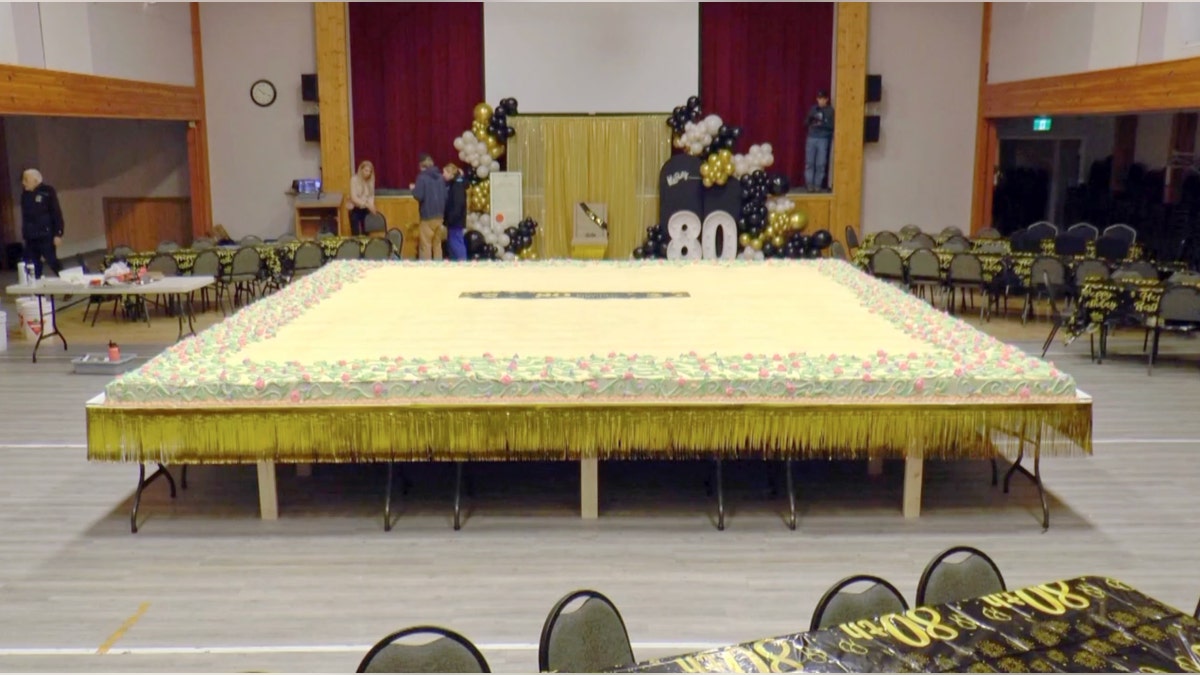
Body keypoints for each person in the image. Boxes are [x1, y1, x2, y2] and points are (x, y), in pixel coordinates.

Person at [20, 168, 64, 277]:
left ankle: (67, 281)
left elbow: (56, 213)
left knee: (52, 261)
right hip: (31, 236)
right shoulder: (25, 195)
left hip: (45, 235)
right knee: (31, 265)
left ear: (35, 180)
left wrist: (58, 233)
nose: (23, 182)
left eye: (26, 179)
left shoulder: (47, 191)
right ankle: (36, 289)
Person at [412, 153, 448, 260]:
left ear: (421, 166)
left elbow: (419, 195)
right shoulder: (441, 178)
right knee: (437, 244)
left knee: (426, 245)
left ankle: (426, 271)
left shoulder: (422, 178)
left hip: (427, 216)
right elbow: (445, 195)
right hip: (440, 216)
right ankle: (438, 269)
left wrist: (413, 189)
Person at [804, 90, 834, 193]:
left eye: (822, 99)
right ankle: (809, 184)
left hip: (823, 139)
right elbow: (806, 122)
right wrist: (811, 120)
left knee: (820, 164)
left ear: (826, 99)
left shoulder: (830, 111)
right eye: (819, 98)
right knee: (810, 162)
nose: (820, 101)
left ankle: (817, 185)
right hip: (811, 137)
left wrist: (822, 123)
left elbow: (832, 126)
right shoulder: (813, 109)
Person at [442, 163, 468, 261]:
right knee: (452, 245)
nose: (443, 174)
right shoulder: (454, 184)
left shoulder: (457, 186)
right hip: (454, 220)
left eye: (444, 172)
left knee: (456, 244)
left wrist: (450, 219)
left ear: (451, 174)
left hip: (455, 221)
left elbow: (457, 205)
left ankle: (462, 264)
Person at [347, 160, 376, 236]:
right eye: (366, 170)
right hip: (355, 209)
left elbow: (371, 195)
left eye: (370, 171)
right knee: (355, 233)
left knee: (366, 233)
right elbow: (354, 198)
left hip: (365, 210)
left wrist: (371, 205)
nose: (368, 173)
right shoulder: (354, 180)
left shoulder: (371, 181)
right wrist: (366, 204)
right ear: (361, 169)